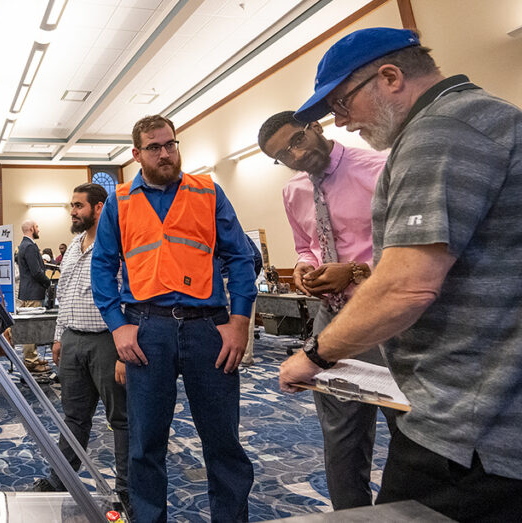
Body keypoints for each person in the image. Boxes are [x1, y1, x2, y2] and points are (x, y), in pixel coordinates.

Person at [279, 27, 522, 520]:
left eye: (344, 105)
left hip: (469, 419)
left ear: (389, 77)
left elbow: (407, 284)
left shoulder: (439, 134)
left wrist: (314, 354)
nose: (342, 123)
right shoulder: (485, 118)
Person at [93, 114, 257, 523]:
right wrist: (118, 324)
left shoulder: (208, 191)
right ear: (136, 154)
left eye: (171, 144)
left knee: (223, 441)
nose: (165, 153)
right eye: (154, 147)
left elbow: (240, 257)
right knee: (145, 443)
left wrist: (239, 322)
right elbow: (102, 266)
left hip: (209, 327)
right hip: (148, 328)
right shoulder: (120, 201)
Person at [259, 110, 397, 509]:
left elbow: (412, 252)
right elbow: (305, 245)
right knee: (340, 437)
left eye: (296, 141)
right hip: (331, 318)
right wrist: (303, 267)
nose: (296, 156)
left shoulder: (379, 168)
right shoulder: (293, 191)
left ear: (315, 127)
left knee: (408, 433)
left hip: (388, 318)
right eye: (283, 156)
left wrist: (354, 270)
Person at [34, 183, 129, 513]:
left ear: (99, 208)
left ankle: (128, 489)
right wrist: (59, 336)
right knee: (74, 416)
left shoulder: (118, 244)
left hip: (107, 341)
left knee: (122, 419)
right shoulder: (73, 247)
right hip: (73, 340)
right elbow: (65, 295)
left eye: (78, 206)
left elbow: (129, 300)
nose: (72, 212)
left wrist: (123, 350)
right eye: (71, 206)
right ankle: (61, 478)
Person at [15, 219, 51, 373]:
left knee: (30, 327)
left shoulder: (23, 245)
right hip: (32, 292)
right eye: (37, 226)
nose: (38, 229)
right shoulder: (29, 246)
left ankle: (32, 357)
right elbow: (36, 271)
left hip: (27, 291)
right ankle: (31, 360)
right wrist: (47, 282)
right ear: (31, 229)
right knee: (31, 328)